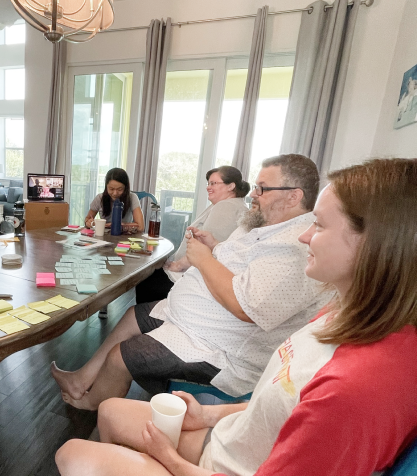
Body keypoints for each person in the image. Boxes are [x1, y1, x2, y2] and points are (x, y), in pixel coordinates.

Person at [56, 158, 417, 476]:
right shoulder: (337, 316)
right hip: (230, 437)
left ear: (378, 244)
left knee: (71, 451)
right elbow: (274, 405)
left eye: (320, 226)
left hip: (222, 436)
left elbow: (249, 309)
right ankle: (88, 390)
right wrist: (211, 416)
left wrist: (171, 460)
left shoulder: (355, 388)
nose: (305, 235)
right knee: (111, 411)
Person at [52, 154, 331, 410]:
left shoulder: (294, 246)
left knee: (122, 355)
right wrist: (217, 246)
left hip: (220, 348)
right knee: (132, 315)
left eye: (262, 188)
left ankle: (92, 405)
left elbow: (246, 308)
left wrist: (203, 258)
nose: (254, 194)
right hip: (194, 321)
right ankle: (81, 380)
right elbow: (250, 269)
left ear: (294, 196)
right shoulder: (267, 227)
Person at [136, 166, 250, 303]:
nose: (208, 187)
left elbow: (206, 247)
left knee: (146, 280)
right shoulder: (233, 205)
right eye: (208, 183)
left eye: (214, 183)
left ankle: (149, 320)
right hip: (194, 272)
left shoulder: (226, 207)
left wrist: (178, 265)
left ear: (231, 186)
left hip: (191, 277)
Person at [84, 168, 145, 232]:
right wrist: (88, 222)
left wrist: (117, 225)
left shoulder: (132, 197)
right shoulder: (100, 198)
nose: (115, 193)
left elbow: (140, 227)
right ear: (106, 187)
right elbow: (87, 219)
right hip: (104, 237)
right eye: (111, 189)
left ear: (126, 188)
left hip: (124, 237)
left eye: (119, 189)